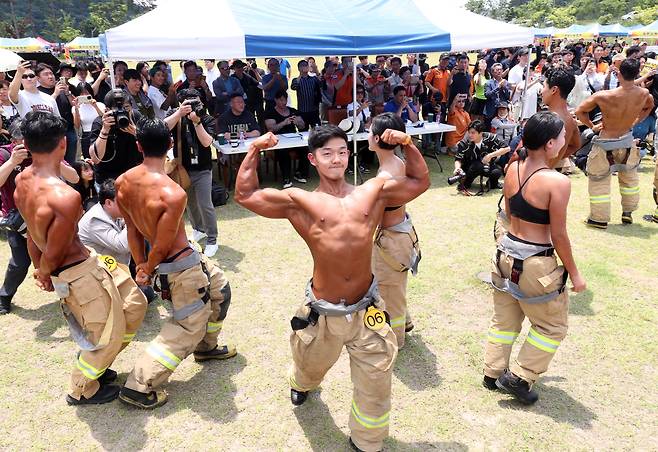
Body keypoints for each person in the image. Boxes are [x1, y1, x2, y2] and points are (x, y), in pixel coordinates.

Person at [234, 123, 430, 452]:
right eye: (327, 154)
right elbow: (246, 195)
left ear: (348, 154)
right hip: (323, 312)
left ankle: (367, 441)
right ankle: (302, 383)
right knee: (310, 366)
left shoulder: (373, 191)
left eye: (341, 152)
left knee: (377, 378)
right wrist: (254, 149)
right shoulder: (300, 201)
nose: (336, 159)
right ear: (313, 159)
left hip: (367, 309)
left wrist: (408, 145)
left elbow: (419, 181)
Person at [14, 111, 147, 405]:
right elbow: (54, 248)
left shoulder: (21, 181)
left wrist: (40, 269)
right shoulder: (65, 197)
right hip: (76, 272)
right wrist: (44, 272)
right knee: (105, 333)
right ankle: (82, 388)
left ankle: (100, 362)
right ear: (63, 143)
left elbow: (32, 234)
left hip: (83, 264)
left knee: (134, 304)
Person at [116, 117, 235, 409]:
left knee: (221, 290)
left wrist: (142, 264)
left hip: (184, 258)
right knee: (185, 328)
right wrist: (146, 267)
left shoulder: (123, 182)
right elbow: (164, 243)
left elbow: (132, 230)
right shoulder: (173, 193)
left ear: (138, 146)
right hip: (179, 266)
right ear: (170, 144)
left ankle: (207, 348)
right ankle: (138, 385)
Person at [483, 111, 586, 405]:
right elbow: (560, 235)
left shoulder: (513, 169)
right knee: (551, 326)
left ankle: (492, 372)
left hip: (504, 254)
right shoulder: (557, 182)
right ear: (551, 143)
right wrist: (575, 274)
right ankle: (520, 376)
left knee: (505, 319)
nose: (567, 140)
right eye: (564, 137)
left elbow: (510, 215)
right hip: (535, 263)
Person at [576, 58, 654, 228]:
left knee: (599, 181)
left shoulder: (604, 96)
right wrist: (635, 121)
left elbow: (579, 111)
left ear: (618, 73)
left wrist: (592, 126)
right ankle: (628, 213)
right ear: (637, 74)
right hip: (626, 140)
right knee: (630, 179)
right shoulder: (644, 94)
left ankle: (598, 219)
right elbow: (649, 106)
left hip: (605, 141)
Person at [369, 113, 422, 348]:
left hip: (391, 240)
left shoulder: (385, 177)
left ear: (378, 138)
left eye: (370, 131)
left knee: (389, 292)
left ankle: (395, 339)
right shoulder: (397, 163)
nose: (367, 134)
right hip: (401, 234)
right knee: (394, 288)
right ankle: (406, 322)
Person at [166, 89, 219, 257]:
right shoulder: (176, 115)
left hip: (203, 168)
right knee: (189, 203)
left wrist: (197, 122)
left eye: (197, 102)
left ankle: (212, 239)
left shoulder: (206, 117)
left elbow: (206, 142)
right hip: (183, 168)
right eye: (189, 103)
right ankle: (198, 229)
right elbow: (161, 127)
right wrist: (179, 113)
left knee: (205, 204)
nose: (195, 106)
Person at [89, 89, 144, 185]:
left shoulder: (136, 117)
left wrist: (137, 133)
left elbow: (153, 148)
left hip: (133, 176)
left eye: (126, 107)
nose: (122, 112)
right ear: (107, 110)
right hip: (108, 180)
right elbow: (95, 158)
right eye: (117, 109)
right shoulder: (100, 122)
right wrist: (105, 130)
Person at [217, 93, 262, 189]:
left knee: (254, 156)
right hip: (231, 148)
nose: (242, 104)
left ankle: (248, 180)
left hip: (247, 147)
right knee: (233, 159)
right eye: (238, 102)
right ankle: (242, 180)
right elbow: (224, 135)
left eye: (243, 102)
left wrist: (247, 134)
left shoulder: (248, 115)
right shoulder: (224, 117)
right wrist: (240, 135)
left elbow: (257, 132)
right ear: (231, 104)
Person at [540, 67, 580, 171]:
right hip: (547, 171)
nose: (541, 91)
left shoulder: (545, 120)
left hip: (532, 174)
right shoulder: (570, 120)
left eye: (544, 86)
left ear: (554, 90)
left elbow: (518, 154)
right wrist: (555, 158)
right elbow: (576, 145)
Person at [264, 90, 306, 188]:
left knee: (305, 149)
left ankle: (299, 172)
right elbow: (271, 129)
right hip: (277, 141)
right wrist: (284, 123)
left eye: (285, 100)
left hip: (293, 139)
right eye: (281, 100)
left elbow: (302, 127)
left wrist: (298, 122)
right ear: (276, 100)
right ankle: (286, 178)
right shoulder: (270, 113)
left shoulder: (293, 111)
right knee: (283, 152)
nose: (283, 102)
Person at [452, 119, 506, 193]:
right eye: (469, 132)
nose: (470, 135)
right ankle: (466, 183)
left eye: (473, 133)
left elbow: (507, 148)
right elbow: (458, 158)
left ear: (481, 133)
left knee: (497, 172)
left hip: (487, 165)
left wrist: (490, 155)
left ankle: (492, 183)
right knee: (477, 166)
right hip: (470, 166)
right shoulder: (464, 143)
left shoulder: (490, 137)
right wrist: (457, 168)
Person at [72, 82, 105, 159]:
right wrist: (76, 109)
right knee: (88, 158)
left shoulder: (100, 105)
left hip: (100, 133)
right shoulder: (75, 108)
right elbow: (77, 125)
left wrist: (95, 106)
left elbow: (104, 118)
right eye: (81, 93)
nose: (84, 95)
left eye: (86, 93)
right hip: (86, 135)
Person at [290, 59, 322, 129]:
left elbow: (322, 83)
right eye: (303, 66)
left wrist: (316, 70)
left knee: (318, 131)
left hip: (314, 111)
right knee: (303, 131)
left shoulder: (313, 79)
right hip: (302, 111)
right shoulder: (296, 80)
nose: (305, 67)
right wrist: (301, 74)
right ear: (299, 68)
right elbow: (294, 87)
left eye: (306, 65)